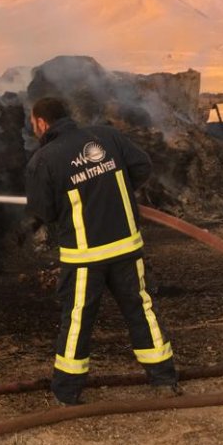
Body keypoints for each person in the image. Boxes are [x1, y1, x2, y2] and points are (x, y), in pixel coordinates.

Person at [25, 95, 180, 406]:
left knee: (78, 321)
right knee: (142, 310)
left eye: (33, 123)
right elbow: (141, 166)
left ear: (41, 123)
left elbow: (44, 211)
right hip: (126, 247)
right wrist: (111, 189)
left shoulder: (44, 159)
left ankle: (66, 393)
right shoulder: (106, 136)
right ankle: (164, 381)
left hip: (85, 257)